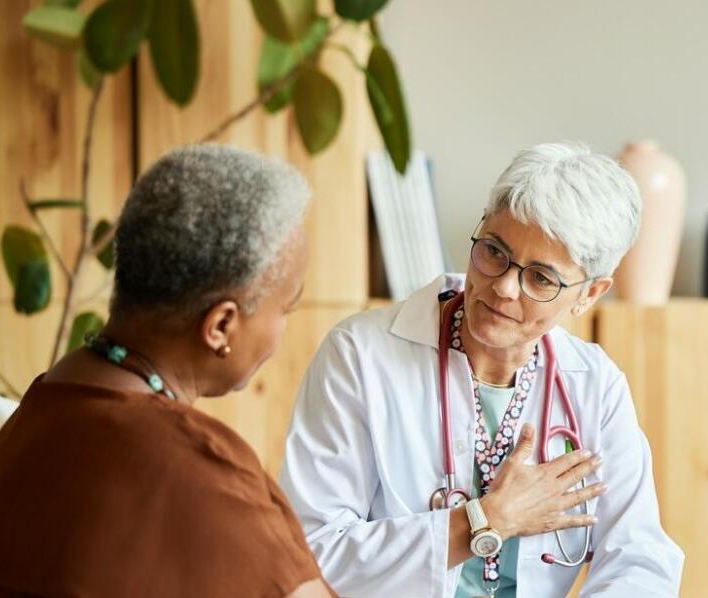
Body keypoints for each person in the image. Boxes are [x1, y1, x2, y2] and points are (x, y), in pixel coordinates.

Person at [280, 141, 684, 596]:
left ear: (590, 294)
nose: (504, 287)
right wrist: (486, 520)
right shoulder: (360, 356)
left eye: (540, 278)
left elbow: (640, 559)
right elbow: (310, 552)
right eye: (494, 251)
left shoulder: (595, 385)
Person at [0, 145, 329, 597]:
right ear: (221, 325)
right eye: (287, 307)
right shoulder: (208, 471)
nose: (284, 328)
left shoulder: (37, 410)